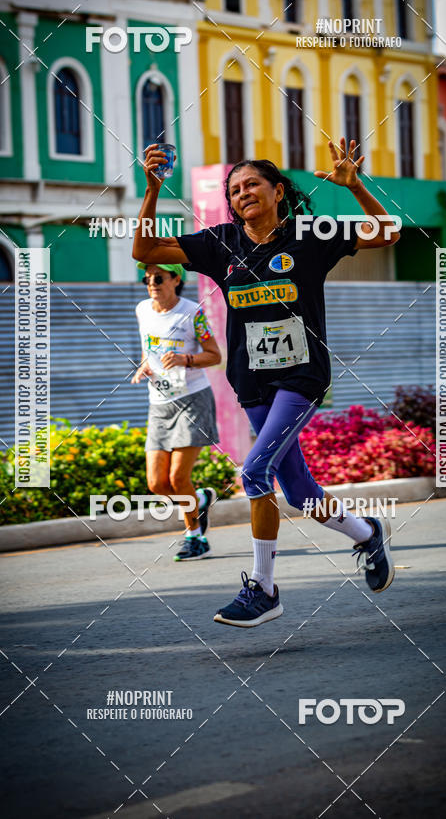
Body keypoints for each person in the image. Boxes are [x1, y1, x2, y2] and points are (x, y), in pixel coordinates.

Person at [133, 139, 400, 625]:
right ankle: (366, 534)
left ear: (277, 191)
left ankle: (265, 589)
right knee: (298, 491)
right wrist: (152, 189)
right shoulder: (221, 244)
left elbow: (388, 233)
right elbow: (145, 249)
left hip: (302, 377)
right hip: (252, 382)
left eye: (252, 184)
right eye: (233, 190)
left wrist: (356, 186)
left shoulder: (311, 233)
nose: (241, 194)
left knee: (254, 472)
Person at [131, 261, 221, 561]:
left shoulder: (192, 312)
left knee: (178, 477)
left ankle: (195, 538)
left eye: (158, 278)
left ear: (175, 279)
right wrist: (145, 365)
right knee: (157, 483)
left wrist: (184, 359)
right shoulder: (142, 310)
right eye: (147, 279)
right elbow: (149, 348)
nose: (151, 283)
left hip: (193, 399)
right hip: (159, 403)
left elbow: (214, 355)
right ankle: (200, 499)